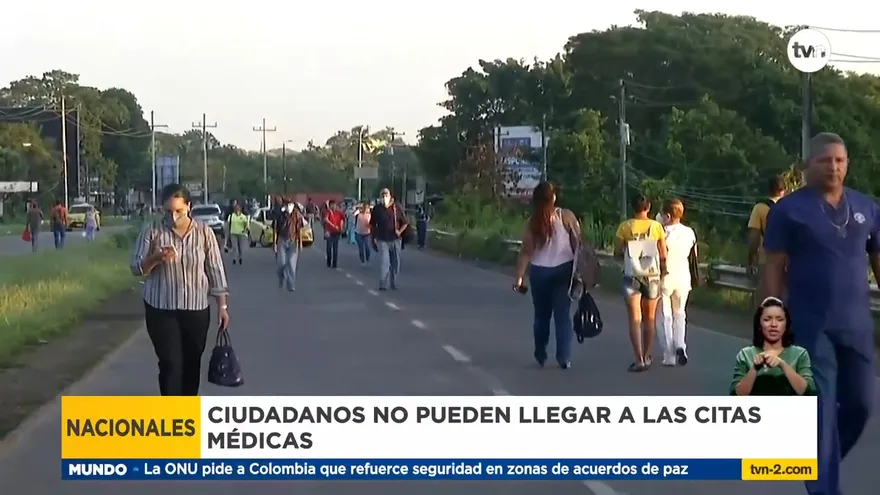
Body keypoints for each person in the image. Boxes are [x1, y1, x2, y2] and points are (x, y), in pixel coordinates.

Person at [762, 132, 876, 495]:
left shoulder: (867, 207)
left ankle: (817, 462)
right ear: (809, 164)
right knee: (822, 412)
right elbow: (774, 270)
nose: (834, 167)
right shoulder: (788, 211)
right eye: (825, 160)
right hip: (812, 327)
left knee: (861, 406)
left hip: (857, 325)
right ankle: (824, 485)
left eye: (840, 160)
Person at [130, 183, 229, 396]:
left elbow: (215, 271)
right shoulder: (153, 231)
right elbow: (136, 268)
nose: (173, 217)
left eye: (179, 211)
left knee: (192, 363)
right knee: (171, 363)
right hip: (161, 308)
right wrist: (156, 258)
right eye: (168, 211)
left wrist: (222, 306)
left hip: (196, 309)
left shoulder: (204, 233)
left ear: (189, 207)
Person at [513, 182, 580, 369]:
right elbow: (578, 245)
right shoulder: (566, 216)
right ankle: (564, 357)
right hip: (563, 271)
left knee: (541, 317)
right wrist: (581, 274)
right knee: (562, 316)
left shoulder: (532, 222)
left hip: (539, 273)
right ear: (554, 198)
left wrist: (519, 277)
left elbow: (525, 252)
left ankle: (540, 354)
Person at [614, 195, 667, 372]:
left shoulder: (625, 227)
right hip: (652, 275)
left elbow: (617, 251)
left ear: (632, 208)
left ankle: (638, 359)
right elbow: (663, 253)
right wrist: (663, 270)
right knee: (649, 318)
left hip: (631, 275)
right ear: (648, 207)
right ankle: (647, 355)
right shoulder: (656, 226)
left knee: (634, 319)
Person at [730, 297, 816, 396]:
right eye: (767, 319)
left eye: (780, 320)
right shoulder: (746, 354)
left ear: (786, 324)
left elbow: (809, 393)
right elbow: (736, 396)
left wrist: (782, 364)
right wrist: (755, 368)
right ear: (759, 324)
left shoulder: (800, 354)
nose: (774, 324)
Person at [657, 199, 696, 367]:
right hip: (683, 276)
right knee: (680, 314)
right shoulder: (689, 232)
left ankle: (669, 354)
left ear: (666, 215)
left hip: (664, 277)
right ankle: (681, 345)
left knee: (664, 316)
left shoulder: (662, 233)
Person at [747, 175, 786, 307]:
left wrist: (751, 259)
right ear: (784, 190)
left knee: (765, 303)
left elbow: (754, 237)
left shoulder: (760, 208)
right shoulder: (791, 207)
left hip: (766, 260)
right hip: (789, 262)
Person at [369, 188, 408, 290]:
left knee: (395, 263)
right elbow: (372, 225)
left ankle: (393, 283)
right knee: (385, 262)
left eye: (386, 195)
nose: (384, 198)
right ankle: (383, 284)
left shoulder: (396, 208)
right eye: (382, 195)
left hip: (395, 239)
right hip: (382, 239)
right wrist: (373, 238)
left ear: (390, 196)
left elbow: (405, 222)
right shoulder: (377, 209)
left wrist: (399, 231)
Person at [273, 200, 305, 291]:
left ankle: (290, 284)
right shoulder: (280, 215)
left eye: (290, 205)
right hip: (282, 240)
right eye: (287, 205)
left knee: (291, 264)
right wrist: (274, 243)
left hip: (293, 240)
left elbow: (299, 229)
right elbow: (275, 230)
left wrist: (300, 242)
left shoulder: (297, 216)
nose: (289, 207)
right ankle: (281, 277)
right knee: (281, 263)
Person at [323, 200, 345, 269]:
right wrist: (332, 225)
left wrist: (341, 226)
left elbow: (343, 219)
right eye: (332, 205)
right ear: (329, 206)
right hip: (329, 232)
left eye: (334, 205)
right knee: (329, 248)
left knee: (335, 248)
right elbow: (326, 219)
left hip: (337, 232)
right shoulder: (328, 212)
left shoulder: (339, 213)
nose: (333, 206)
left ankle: (335, 263)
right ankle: (329, 261)